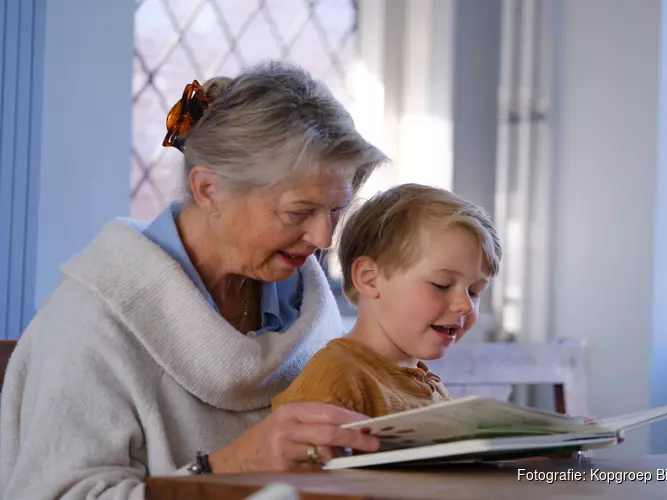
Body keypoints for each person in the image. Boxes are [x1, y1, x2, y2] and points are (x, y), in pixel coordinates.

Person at [0, 61, 387, 499]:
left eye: (336, 210)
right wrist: (230, 466)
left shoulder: (305, 306)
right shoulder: (91, 320)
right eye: (297, 213)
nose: (323, 238)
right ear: (208, 190)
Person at [272, 183, 502, 417]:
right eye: (441, 285)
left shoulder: (426, 383)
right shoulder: (335, 380)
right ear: (370, 279)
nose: (465, 305)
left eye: (474, 292)